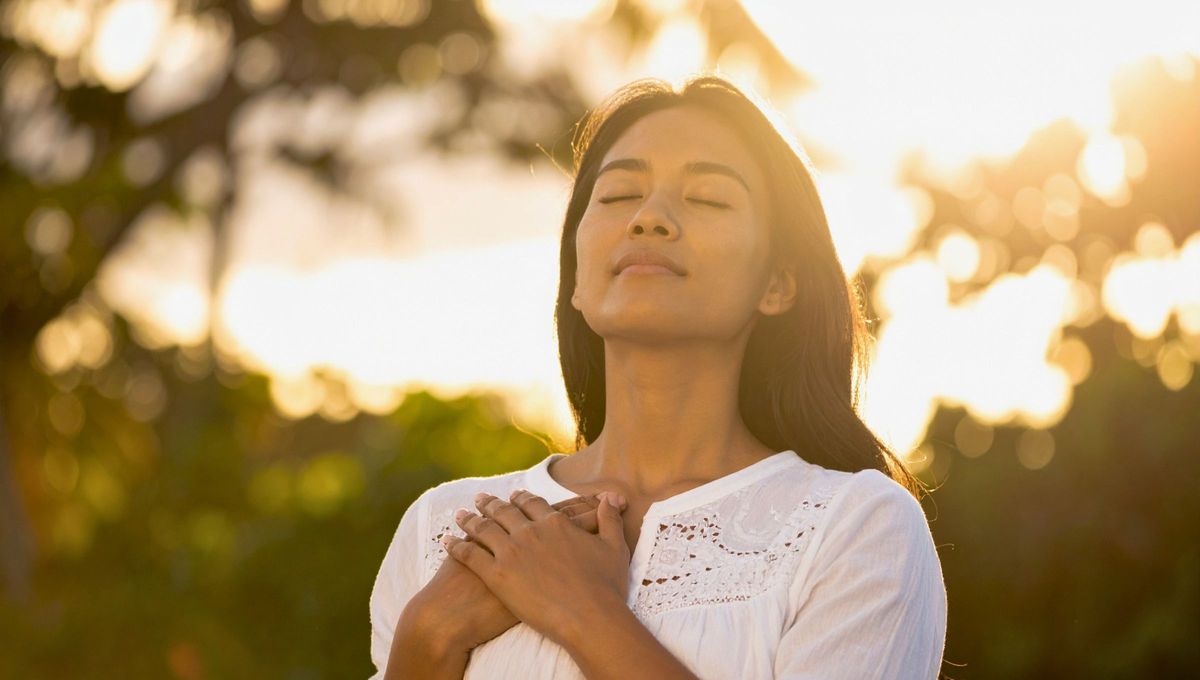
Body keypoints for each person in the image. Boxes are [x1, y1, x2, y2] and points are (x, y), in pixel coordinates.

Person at [369, 73, 947, 679]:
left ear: (778, 283)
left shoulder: (855, 527)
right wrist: (427, 638)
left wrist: (583, 611)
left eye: (708, 198)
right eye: (618, 195)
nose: (650, 218)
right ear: (576, 272)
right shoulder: (447, 526)